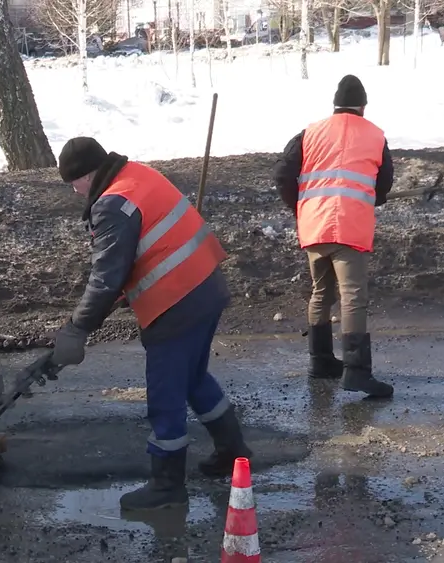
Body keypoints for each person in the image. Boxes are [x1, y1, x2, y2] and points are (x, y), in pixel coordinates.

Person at [51, 136, 253, 511]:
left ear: (88, 175)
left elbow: (106, 276)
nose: (76, 193)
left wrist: (78, 329)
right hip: (206, 286)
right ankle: (233, 450)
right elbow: (143, 254)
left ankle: (166, 486)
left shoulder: (112, 204)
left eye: (74, 183)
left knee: (165, 395)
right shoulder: (136, 175)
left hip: (177, 301)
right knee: (193, 377)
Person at [271, 74, 395, 399]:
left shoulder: (309, 132)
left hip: (314, 224)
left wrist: (299, 208)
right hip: (349, 227)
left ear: (335, 106)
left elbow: (283, 174)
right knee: (353, 296)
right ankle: (356, 372)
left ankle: (321, 361)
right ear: (363, 107)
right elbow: (383, 187)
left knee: (321, 292)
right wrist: (368, 197)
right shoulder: (375, 136)